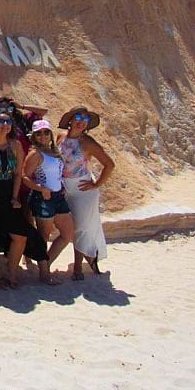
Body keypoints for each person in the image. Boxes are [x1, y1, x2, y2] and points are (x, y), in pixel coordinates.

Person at [0, 105, 54, 288]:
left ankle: (12, 273)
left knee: (20, 235)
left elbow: (18, 174)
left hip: (7, 195)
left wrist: (15, 197)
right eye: (0, 121)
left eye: (8, 121)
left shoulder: (15, 145)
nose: (5, 125)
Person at [58, 106, 115, 279]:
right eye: (78, 118)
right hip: (65, 188)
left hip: (83, 190)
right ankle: (90, 255)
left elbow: (109, 164)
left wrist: (96, 184)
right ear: (71, 120)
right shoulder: (60, 137)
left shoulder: (88, 143)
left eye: (85, 120)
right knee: (69, 226)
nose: (81, 122)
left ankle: (77, 268)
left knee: (81, 228)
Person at [22, 120, 75, 272]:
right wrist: (40, 188)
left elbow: (56, 172)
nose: (43, 136)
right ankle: (44, 273)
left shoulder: (54, 151)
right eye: (39, 133)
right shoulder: (35, 154)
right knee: (43, 236)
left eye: (46, 132)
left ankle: (46, 264)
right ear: (34, 137)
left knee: (67, 233)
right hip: (43, 199)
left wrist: (62, 185)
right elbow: (25, 176)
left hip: (58, 196)